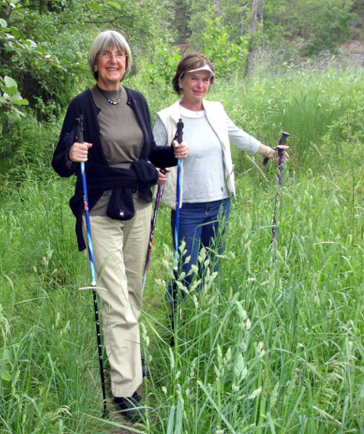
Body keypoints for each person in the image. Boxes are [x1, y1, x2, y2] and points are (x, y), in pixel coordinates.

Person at [51, 30, 187, 422]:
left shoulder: (137, 101)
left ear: (127, 61)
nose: (114, 60)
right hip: (100, 211)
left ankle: (127, 357)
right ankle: (126, 390)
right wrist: (70, 153)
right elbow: (61, 162)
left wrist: (168, 155)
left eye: (121, 54)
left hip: (139, 207)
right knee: (116, 300)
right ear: (95, 62)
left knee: (134, 294)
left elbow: (143, 154)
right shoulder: (81, 105)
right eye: (106, 54)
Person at [153, 53, 288, 304]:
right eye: (194, 78)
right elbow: (151, 155)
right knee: (185, 269)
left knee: (211, 265)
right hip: (187, 207)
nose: (200, 85)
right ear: (180, 81)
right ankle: (174, 322)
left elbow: (237, 135)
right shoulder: (167, 117)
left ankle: (205, 316)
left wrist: (269, 151)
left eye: (206, 79)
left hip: (220, 202)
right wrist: (157, 171)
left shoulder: (216, 110)